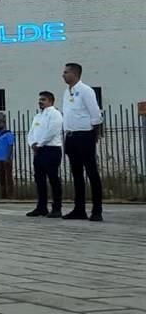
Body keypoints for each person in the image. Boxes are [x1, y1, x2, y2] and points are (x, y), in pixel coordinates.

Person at [61, 62, 104, 221]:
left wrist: (95, 133)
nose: (63, 75)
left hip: (84, 135)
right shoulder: (67, 92)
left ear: (75, 74)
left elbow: (95, 113)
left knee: (92, 172)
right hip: (71, 135)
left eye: (66, 72)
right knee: (76, 173)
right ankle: (79, 209)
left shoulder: (86, 91)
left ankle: (97, 210)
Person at [26, 91, 64, 218]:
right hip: (39, 151)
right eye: (40, 99)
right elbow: (31, 132)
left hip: (51, 149)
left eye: (43, 99)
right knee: (39, 179)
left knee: (53, 179)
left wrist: (40, 144)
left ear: (50, 101)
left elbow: (52, 131)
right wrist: (32, 143)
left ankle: (57, 208)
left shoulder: (55, 114)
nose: (40, 102)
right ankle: (41, 207)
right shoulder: (38, 117)